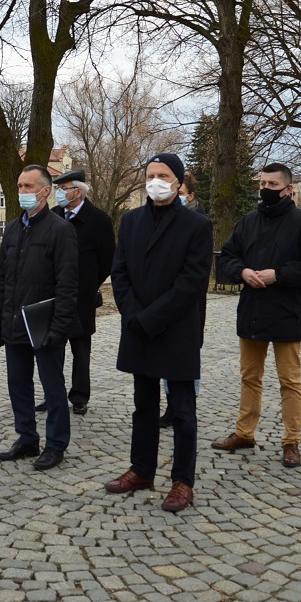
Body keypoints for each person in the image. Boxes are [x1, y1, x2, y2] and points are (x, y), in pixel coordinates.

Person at [104, 153, 212, 513]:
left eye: (163, 175)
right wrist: (134, 314)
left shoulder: (197, 225)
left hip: (176, 328)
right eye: (150, 174)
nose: (156, 181)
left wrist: (151, 317)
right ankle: (142, 470)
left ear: (178, 182)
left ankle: (183, 481)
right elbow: (119, 272)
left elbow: (192, 282)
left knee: (182, 410)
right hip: (138, 327)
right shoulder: (131, 220)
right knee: (143, 405)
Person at [211, 162, 301, 468]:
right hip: (253, 310)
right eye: (262, 184)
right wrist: (243, 272)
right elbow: (227, 257)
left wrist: (279, 275)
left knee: (290, 381)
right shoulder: (248, 221)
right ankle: (244, 433)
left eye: (273, 185)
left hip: (288, 311)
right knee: (249, 377)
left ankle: (291, 441)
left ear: (288, 189)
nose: (266, 189)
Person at [0, 165, 79, 472]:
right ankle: (27, 438)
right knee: (18, 384)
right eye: (19, 186)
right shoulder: (13, 229)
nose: (23, 191)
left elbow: (68, 285)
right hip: (14, 322)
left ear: (45, 191)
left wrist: (59, 327)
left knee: (52, 387)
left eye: (29, 186)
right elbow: (3, 280)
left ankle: (56, 444)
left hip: (44, 324)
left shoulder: (60, 230)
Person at [33, 168, 114, 416]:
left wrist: (90, 284)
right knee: (52, 347)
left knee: (81, 348)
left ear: (78, 192)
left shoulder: (99, 220)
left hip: (82, 296)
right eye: (58, 188)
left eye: (63, 189)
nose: (59, 193)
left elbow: (107, 260)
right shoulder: (53, 216)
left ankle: (79, 396)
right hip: (53, 294)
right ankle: (52, 394)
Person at [161, 170, 208, 429]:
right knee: (166, 356)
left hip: (190, 304)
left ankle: (185, 406)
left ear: (189, 196)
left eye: (179, 193)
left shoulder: (198, 223)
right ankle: (171, 406)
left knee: (187, 356)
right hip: (164, 301)